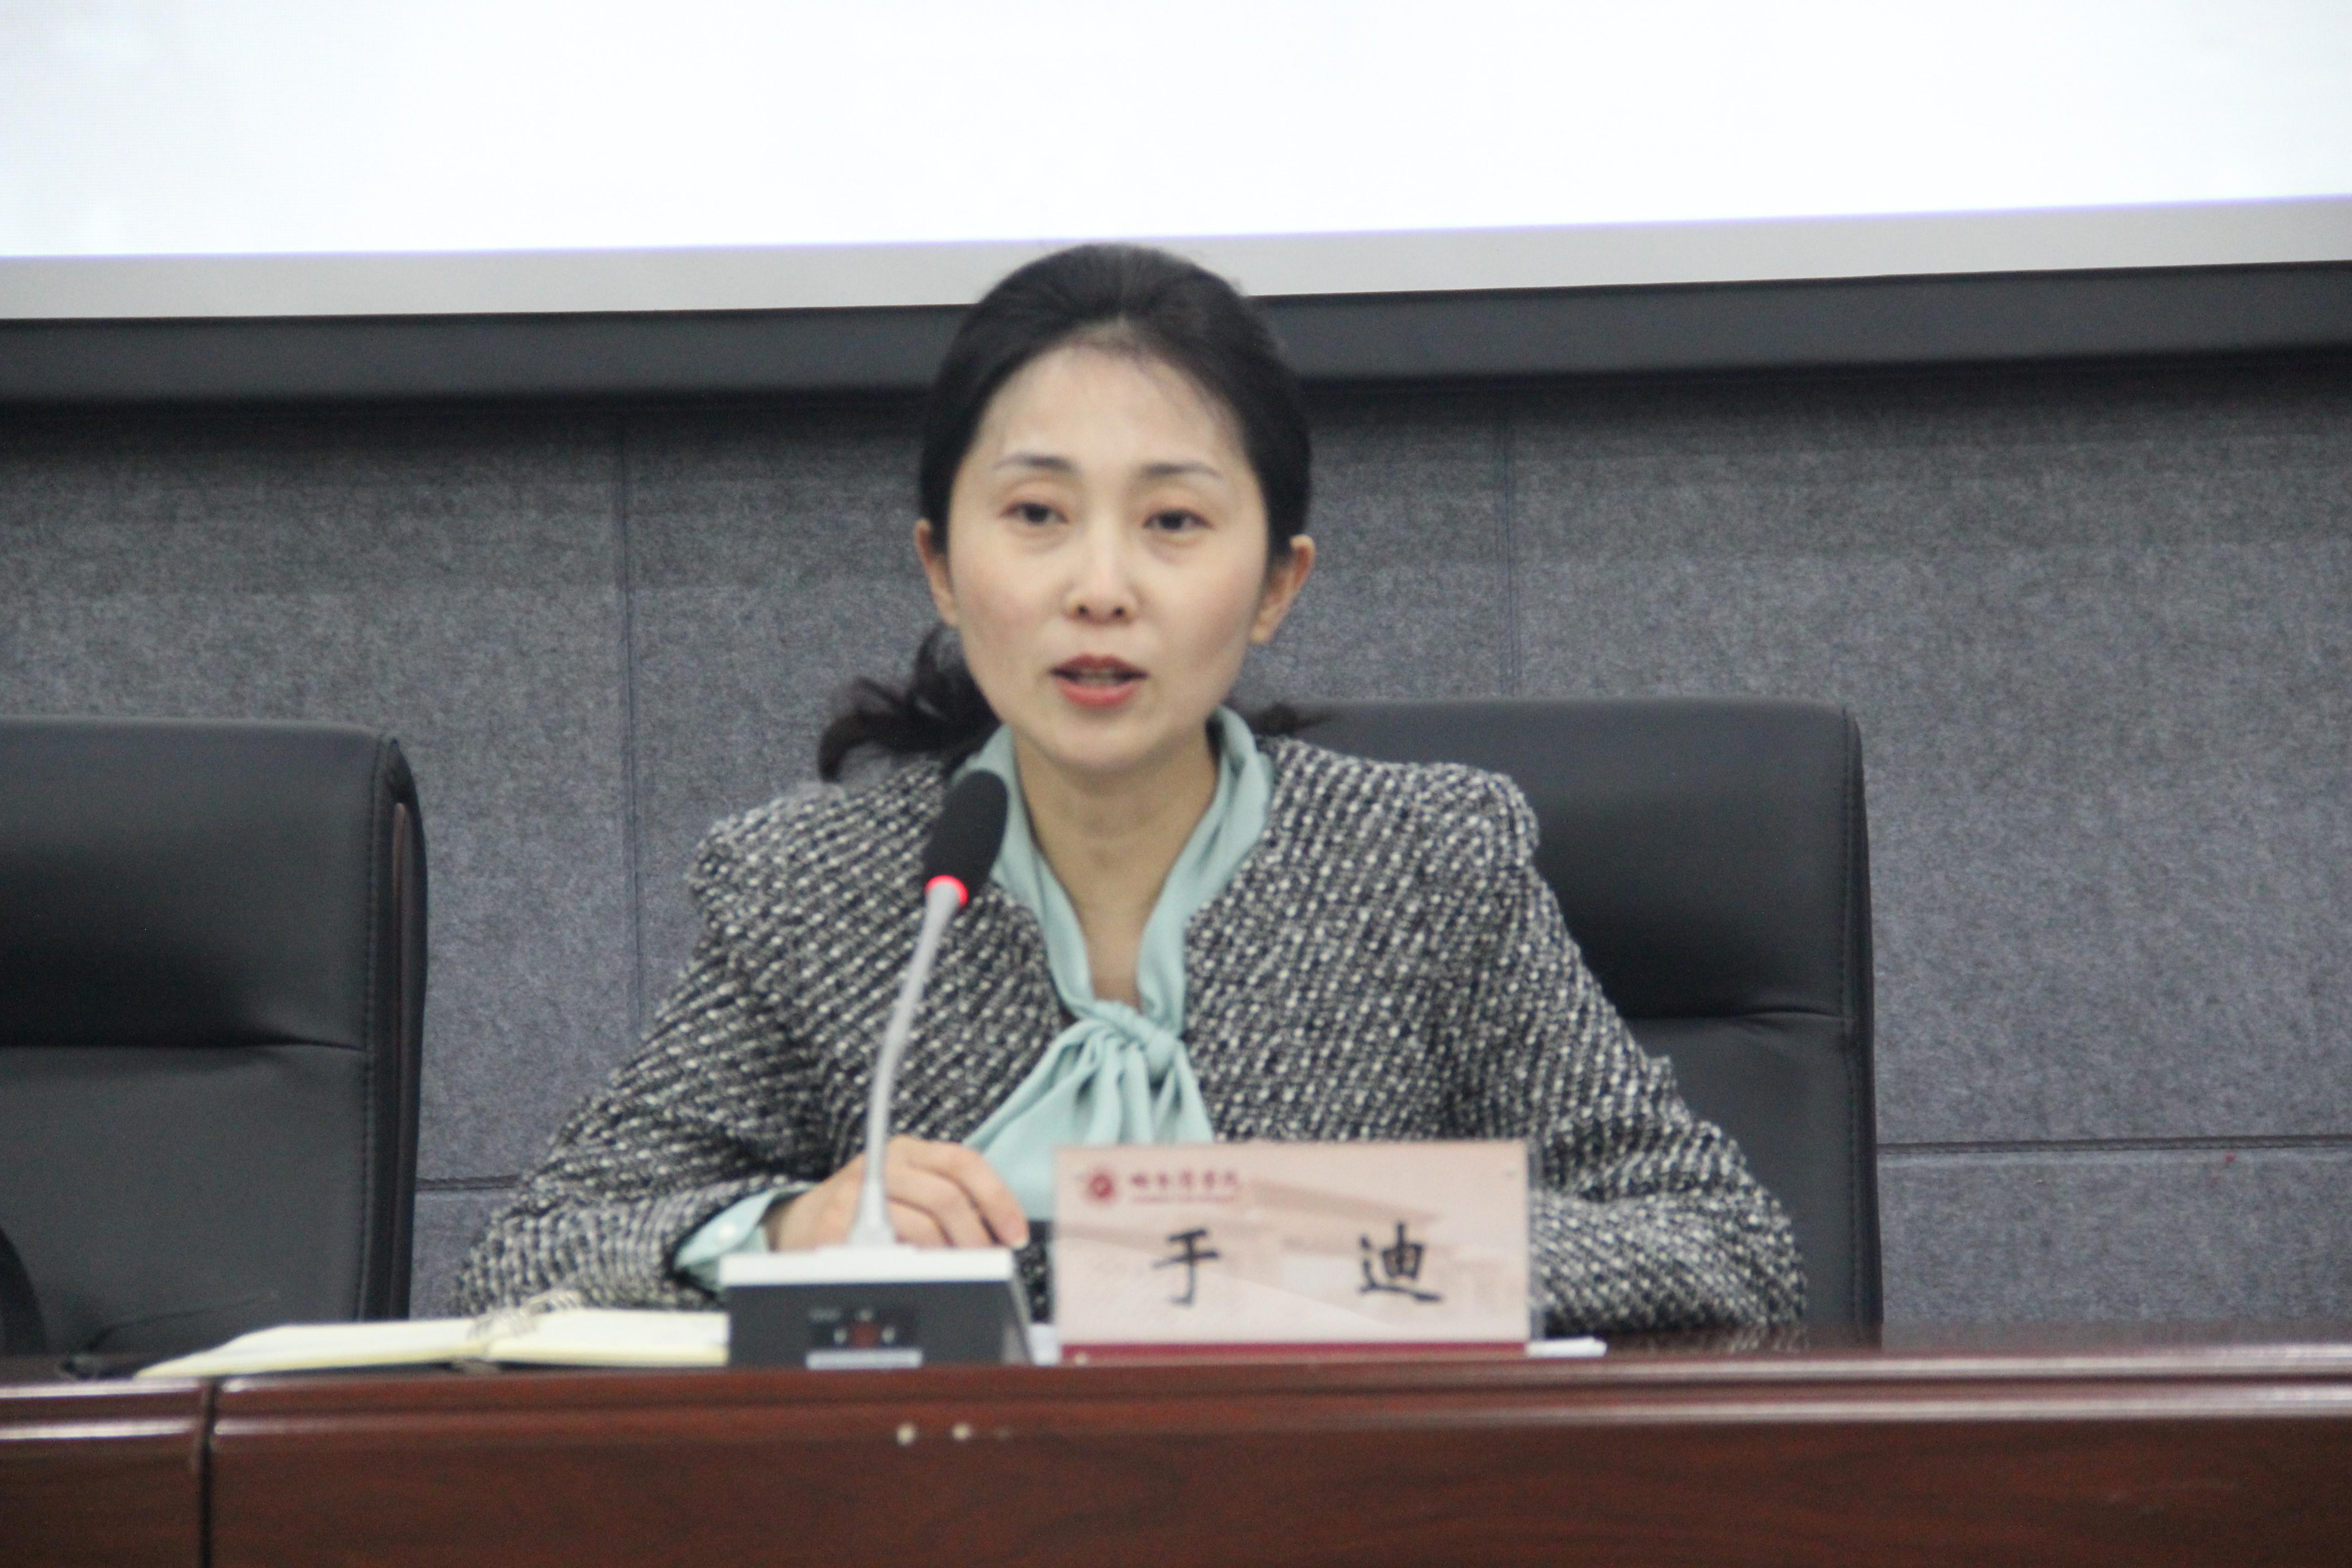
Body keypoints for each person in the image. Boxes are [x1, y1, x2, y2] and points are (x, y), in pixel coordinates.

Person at [455, 244, 1803, 1333]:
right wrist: (787, 1229)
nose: (1099, 587)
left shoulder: (1427, 866)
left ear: (1276, 583)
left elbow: (1722, 1244)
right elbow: (531, 1252)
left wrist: (1291, 1246)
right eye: (1037, 515)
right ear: (942, 566)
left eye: (1173, 522)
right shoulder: (814, 890)